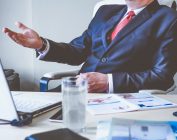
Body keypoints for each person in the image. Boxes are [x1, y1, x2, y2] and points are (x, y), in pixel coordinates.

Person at [2, 0, 177, 93]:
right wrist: (41, 44)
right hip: (76, 91)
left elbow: (162, 75)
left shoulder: (168, 18)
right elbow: (77, 51)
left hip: (122, 97)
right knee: (25, 117)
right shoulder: (105, 11)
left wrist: (107, 82)